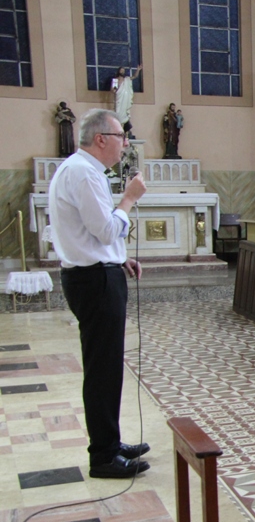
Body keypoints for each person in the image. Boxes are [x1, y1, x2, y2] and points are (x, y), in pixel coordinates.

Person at [48, 109, 149, 478]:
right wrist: (129, 199)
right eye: (121, 136)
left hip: (97, 275)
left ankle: (110, 441)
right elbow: (107, 229)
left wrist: (118, 260)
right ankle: (103, 456)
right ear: (101, 138)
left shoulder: (82, 170)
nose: (125, 144)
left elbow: (93, 236)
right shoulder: (83, 172)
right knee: (102, 369)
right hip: (94, 282)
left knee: (106, 367)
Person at [112, 64, 141, 137]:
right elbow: (113, 90)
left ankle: (124, 131)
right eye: (121, 70)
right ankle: (119, 130)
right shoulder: (115, 80)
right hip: (119, 99)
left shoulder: (127, 79)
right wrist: (114, 89)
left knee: (125, 115)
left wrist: (138, 70)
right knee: (118, 114)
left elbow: (134, 77)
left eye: (123, 71)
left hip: (125, 100)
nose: (122, 72)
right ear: (118, 71)